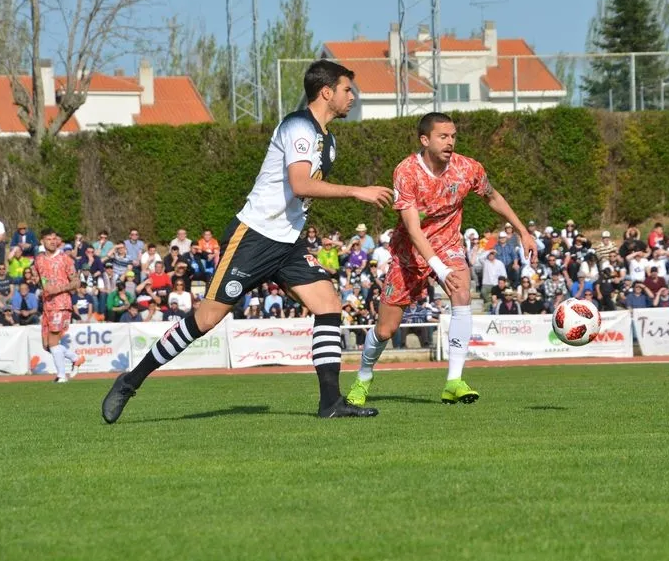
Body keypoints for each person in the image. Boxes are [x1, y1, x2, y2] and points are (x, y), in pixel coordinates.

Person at [101, 59, 392, 423]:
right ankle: (130, 382)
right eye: (347, 89)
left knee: (329, 304)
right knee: (205, 320)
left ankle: (331, 403)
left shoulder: (327, 140)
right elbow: (300, 184)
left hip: (288, 243)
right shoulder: (299, 126)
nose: (353, 96)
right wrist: (356, 191)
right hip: (253, 237)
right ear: (326, 92)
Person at [345, 112, 535, 408]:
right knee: (385, 330)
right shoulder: (406, 171)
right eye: (443, 136)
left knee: (461, 293)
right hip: (409, 252)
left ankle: (454, 381)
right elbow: (412, 229)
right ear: (425, 140)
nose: (450, 142)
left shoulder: (467, 168)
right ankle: (363, 378)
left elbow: (492, 196)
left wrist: (523, 230)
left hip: (448, 244)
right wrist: (440, 269)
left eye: (453, 136)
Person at [35, 229, 87, 383]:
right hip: (47, 304)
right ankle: (76, 358)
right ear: (42, 241)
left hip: (61, 303)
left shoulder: (65, 259)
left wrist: (57, 289)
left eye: (54, 238)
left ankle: (61, 376)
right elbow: (42, 279)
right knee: (46, 345)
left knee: (53, 342)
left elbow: (76, 282)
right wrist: (42, 287)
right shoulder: (39, 259)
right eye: (48, 239)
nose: (52, 241)